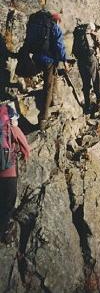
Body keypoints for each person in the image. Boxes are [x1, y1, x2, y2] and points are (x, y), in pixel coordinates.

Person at [25, 10, 69, 130]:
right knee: (48, 87)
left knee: (51, 79)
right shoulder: (54, 27)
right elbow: (60, 45)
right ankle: (43, 119)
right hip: (48, 60)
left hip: (35, 58)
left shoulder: (38, 25)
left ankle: (53, 102)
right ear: (56, 20)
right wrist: (64, 60)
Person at [0, 104, 30, 245]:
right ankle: (4, 232)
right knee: (8, 202)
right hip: (8, 172)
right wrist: (25, 155)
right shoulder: (12, 128)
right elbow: (25, 146)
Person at [72, 22, 100, 114]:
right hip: (91, 59)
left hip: (80, 60)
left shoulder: (79, 35)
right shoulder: (93, 34)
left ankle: (87, 105)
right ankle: (99, 102)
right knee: (97, 79)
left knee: (86, 82)